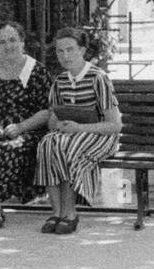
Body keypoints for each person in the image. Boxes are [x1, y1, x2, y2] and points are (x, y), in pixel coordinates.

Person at [34, 26, 122, 235]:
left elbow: (114, 125)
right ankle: (56, 212)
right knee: (47, 144)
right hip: (71, 134)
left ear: (82, 51)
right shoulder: (60, 81)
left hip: (101, 136)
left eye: (70, 50)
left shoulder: (97, 78)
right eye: (60, 51)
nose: (65, 55)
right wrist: (60, 126)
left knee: (67, 146)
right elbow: (52, 121)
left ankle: (70, 213)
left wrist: (79, 128)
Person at [0, 22, 53, 229]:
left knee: (11, 149)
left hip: (28, 131)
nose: (8, 45)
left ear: (22, 42)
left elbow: (47, 111)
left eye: (13, 40)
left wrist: (21, 127)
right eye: (2, 42)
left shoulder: (37, 71)